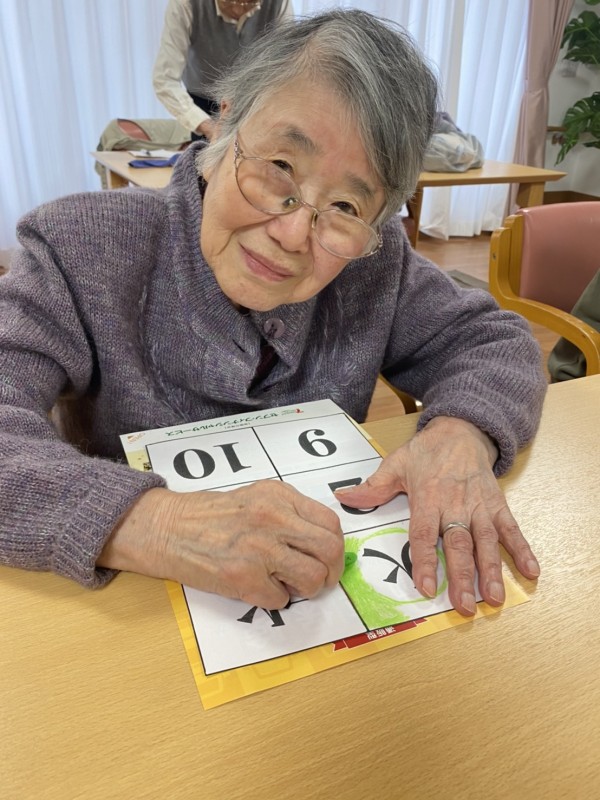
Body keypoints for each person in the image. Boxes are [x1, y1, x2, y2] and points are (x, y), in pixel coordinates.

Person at [0, 9, 546, 617]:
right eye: (280, 167)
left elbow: (491, 341)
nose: (291, 234)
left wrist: (460, 433)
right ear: (225, 125)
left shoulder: (371, 262)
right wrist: (157, 524)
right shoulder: (79, 248)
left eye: (346, 205)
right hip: (128, 615)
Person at [153, 0, 291, 141]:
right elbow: (165, 80)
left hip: (256, 104)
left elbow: (288, 69)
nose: (237, 10)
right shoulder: (185, 4)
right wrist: (206, 126)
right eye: (229, 2)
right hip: (204, 106)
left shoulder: (279, 3)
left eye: (250, 3)